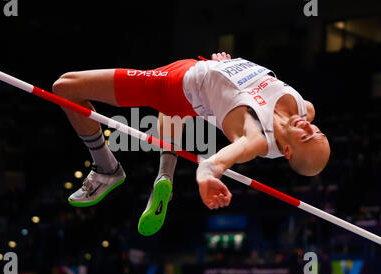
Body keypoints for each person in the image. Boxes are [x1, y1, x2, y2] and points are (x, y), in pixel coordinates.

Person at [52, 52, 330, 236]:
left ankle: (106, 168)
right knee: (175, 113)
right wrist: (227, 64)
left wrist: (207, 176)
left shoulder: (255, 137)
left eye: (306, 135)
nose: (307, 125)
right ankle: (163, 175)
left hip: (174, 85)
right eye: (316, 131)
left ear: (288, 151)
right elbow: (254, 84)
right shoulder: (305, 109)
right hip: (200, 71)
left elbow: (215, 162)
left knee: (66, 87)